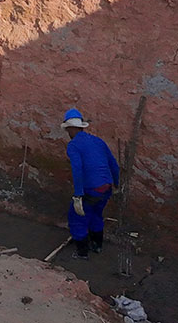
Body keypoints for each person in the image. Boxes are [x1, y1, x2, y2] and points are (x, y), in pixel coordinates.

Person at [62, 107, 120, 260]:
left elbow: (77, 169)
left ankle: (82, 252)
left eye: (68, 130)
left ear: (72, 128)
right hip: (106, 187)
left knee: (77, 217)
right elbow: (113, 164)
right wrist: (117, 184)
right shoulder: (98, 141)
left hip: (91, 189)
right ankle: (97, 245)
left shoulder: (73, 146)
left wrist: (78, 194)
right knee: (96, 214)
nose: (68, 133)